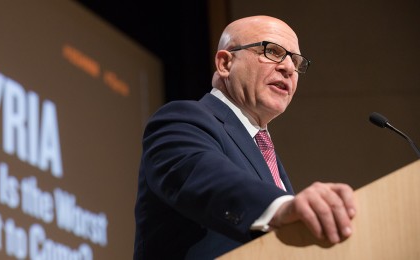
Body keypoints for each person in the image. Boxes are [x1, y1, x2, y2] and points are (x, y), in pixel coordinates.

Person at [133, 15, 356, 259]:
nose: (289, 68)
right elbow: (202, 175)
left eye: (296, 61)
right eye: (272, 51)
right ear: (225, 64)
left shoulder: (263, 150)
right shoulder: (182, 119)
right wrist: (280, 208)